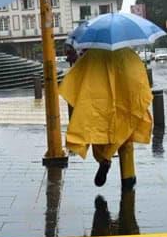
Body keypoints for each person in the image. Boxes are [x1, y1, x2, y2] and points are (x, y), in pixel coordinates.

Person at [58, 47, 152, 190]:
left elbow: (75, 80)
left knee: (99, 136)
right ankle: (127, 179)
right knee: (125, 139)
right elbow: (139, 81)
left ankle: (104, 159)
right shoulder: (128, 54)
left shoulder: (91, 56)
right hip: (125, 106)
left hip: (100, 107)